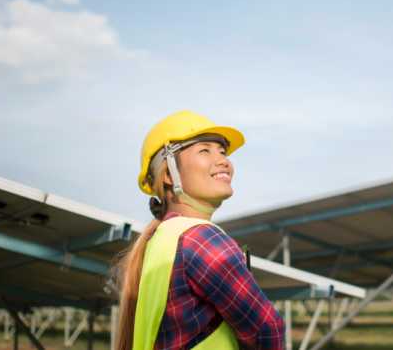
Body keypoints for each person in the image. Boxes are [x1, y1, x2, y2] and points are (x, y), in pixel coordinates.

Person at [113, 110, 285, 350]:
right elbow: (268, 328)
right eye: (204, 150)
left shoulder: (159, 238)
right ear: (169, 174)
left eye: (222, 151)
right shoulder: (201, 238)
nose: (223, 160)